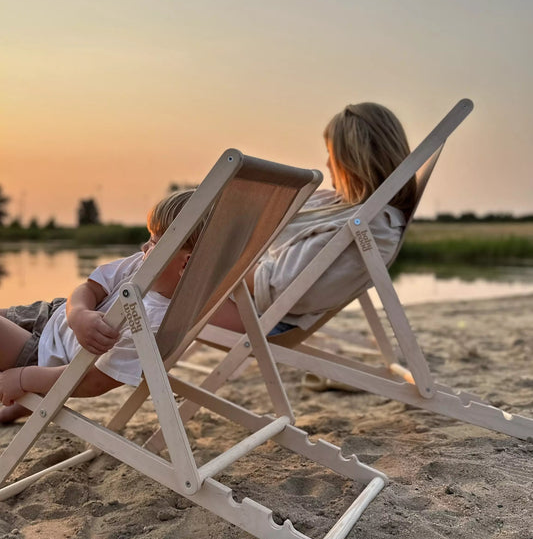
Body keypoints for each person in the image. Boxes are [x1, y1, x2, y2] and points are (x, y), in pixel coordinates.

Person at [210, 102, 417, 334]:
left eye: (332, 154)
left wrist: (213, 261)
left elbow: (276, 287)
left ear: (352, 160)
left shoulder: (371, 225)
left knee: (167, 288)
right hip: (241, 301)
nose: (328, 163)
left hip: (257, 316)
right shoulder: (341, 205)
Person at [0, 190, 204, 423]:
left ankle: (33, 395)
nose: (144, 247)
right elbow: (89, 288)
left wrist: (25, 378)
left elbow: (97, 381)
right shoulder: (138, 264)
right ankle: (24, 405)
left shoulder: (155, 322)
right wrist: (78, 314)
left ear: (186, 263)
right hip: (51, 314)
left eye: (154, 242)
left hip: (46, 357)